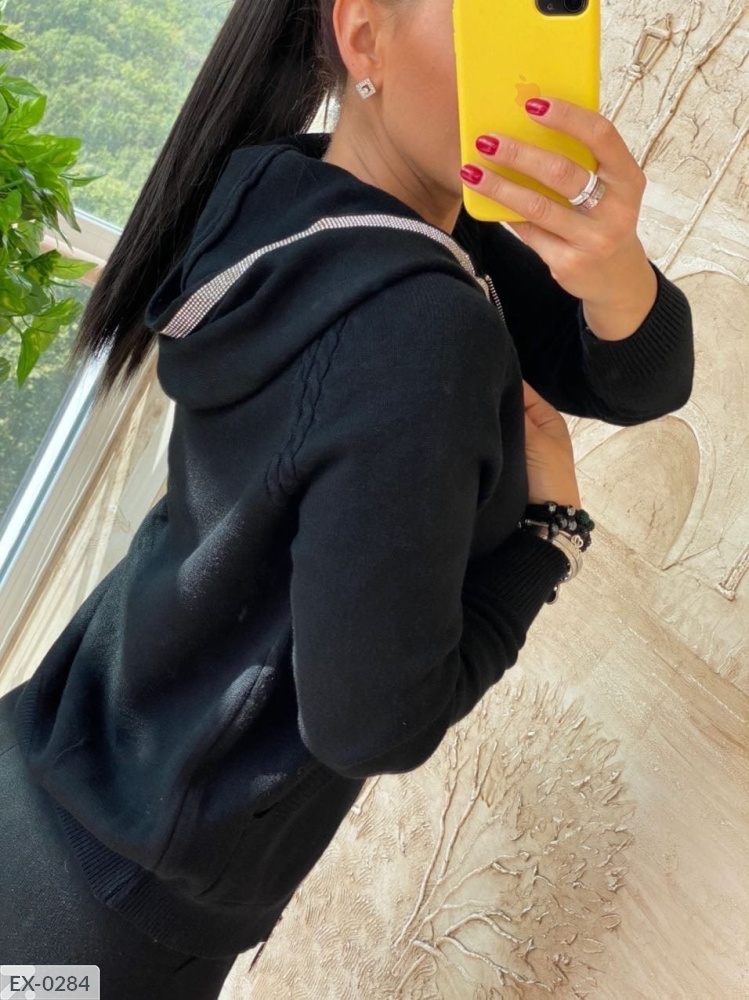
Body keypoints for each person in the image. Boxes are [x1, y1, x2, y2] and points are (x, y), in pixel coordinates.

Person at [0, 0, 694, 993]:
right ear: (363, 37)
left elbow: (634, 381)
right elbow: (374, 724)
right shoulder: (421, 320)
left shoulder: (284, 190)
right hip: (111, 913)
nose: (525, 60)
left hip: (57, 765)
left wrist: (614, 265)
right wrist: (548, 541)